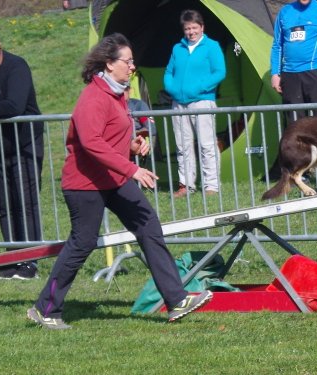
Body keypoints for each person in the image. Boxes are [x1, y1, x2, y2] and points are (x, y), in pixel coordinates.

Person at [27, 33, 212, 329]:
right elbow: (91, 142)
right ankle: (45, 308)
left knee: (148, 224)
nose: (132, 66)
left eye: (132, 61)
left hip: (112, 179)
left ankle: (176, 300)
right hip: (84, 183)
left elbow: (111, 138)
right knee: (82, 242)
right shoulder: (93, 96)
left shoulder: (118, 93)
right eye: (128, 61)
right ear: (109, 64)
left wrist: (132, 145)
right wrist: (131, 169)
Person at [0, 27, 44, 280]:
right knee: (3, 206)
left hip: (24, 145)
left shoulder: (17, 67)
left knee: (24, 203)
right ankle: (11, 259)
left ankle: (30, 260)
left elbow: (14, 104)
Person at [164, 9, 226, 198]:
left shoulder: (212, 46)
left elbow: (219, 72)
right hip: (178, 103)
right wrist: (172, 89)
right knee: (183, 145)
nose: (191, 32)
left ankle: (211, 186)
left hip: (202, 101)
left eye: (194, 28)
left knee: (207, 145)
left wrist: (198, 88)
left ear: (202, 27)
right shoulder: (177, 48)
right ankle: (186, 184)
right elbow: (168, 73)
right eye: (187, 29)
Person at [270, 0, 317, 121]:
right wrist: (275, 74)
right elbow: (277, 46)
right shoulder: (284, 12)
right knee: (294, 125)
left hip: (316, 74)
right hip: (290, 75)